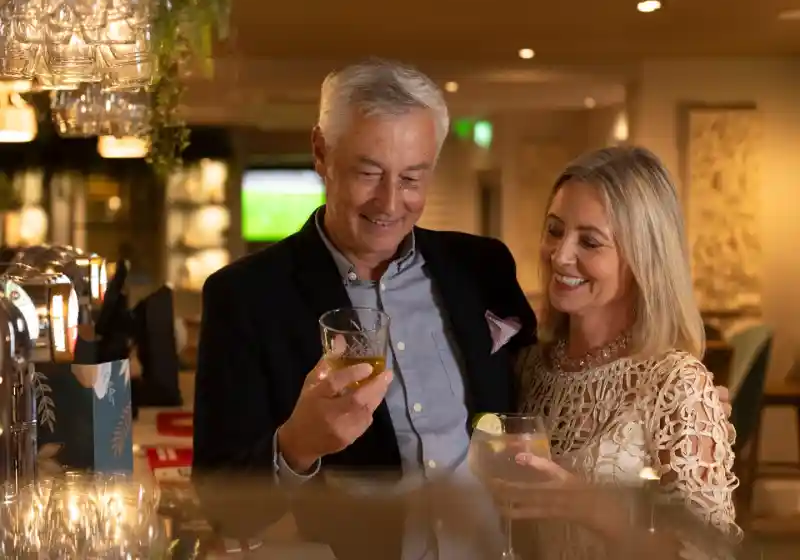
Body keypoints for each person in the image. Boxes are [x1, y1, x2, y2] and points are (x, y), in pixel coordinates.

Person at [193, 58, 536, 560]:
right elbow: (225, 507)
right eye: (369, 173)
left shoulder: (482, 266)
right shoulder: (245, 297)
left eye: (413, 178)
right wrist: (296, 447)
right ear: (320, 153)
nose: (390, 203)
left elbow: (536, 396)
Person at [504, 146, 740, 559]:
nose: (560, 256)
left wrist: (593, 508)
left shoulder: (675, 383)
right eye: (555, 230)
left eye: (590, 242)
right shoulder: (529, 369)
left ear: (642, 258)